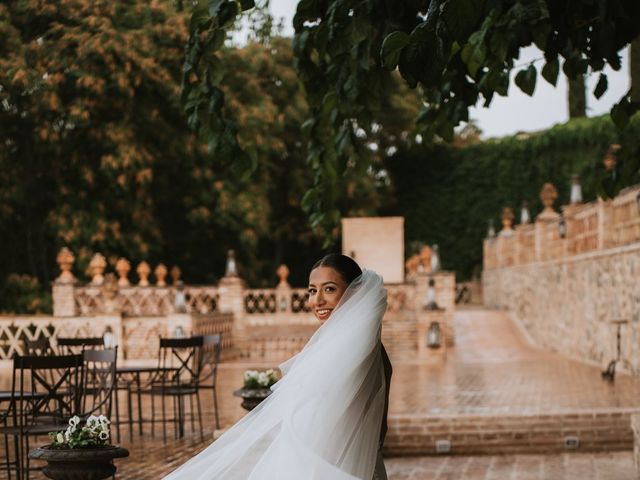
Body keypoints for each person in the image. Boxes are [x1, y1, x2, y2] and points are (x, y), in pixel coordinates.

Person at [163, 253, 391, 480]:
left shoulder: (343, 350)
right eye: (312, 291)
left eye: (329, 289)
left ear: (354, 292)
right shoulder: (369, 349)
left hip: (332, 464)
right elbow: (380, 429)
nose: (317, 300)